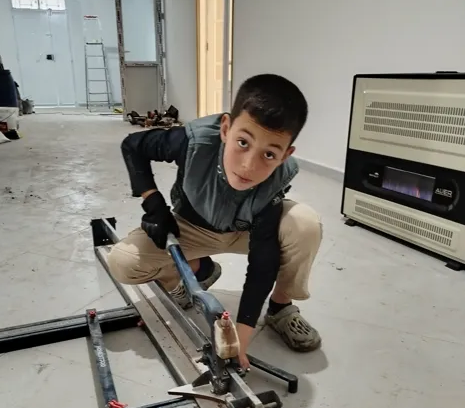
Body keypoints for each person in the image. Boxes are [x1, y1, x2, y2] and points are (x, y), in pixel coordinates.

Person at [108, 73, 322, 370]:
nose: (249, 165)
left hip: (247, 232)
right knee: (123, 262)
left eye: (269, 154)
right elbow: (133, 145)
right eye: (243, 142)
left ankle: (280, 308)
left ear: (286, 155)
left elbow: (263, 264)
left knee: (305, 224)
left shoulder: (276, 179)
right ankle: (198, 271)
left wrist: (240, 342)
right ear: (225, 128)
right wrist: (152, 201)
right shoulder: (193, 141)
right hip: (192, 228)